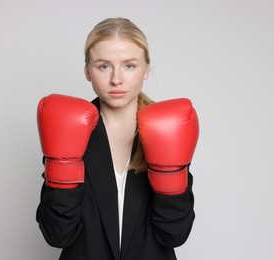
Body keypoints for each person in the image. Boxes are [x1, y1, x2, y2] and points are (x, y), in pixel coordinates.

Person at [36, 17, 199, 260]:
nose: (116, 79)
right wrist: (63, 166)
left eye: (129, 65)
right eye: (104, 66)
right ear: (87, 71)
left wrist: (171, 173)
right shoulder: (68, 129)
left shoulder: (167, 129)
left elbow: (174, 234)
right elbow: (58, 235)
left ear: (146, 69)